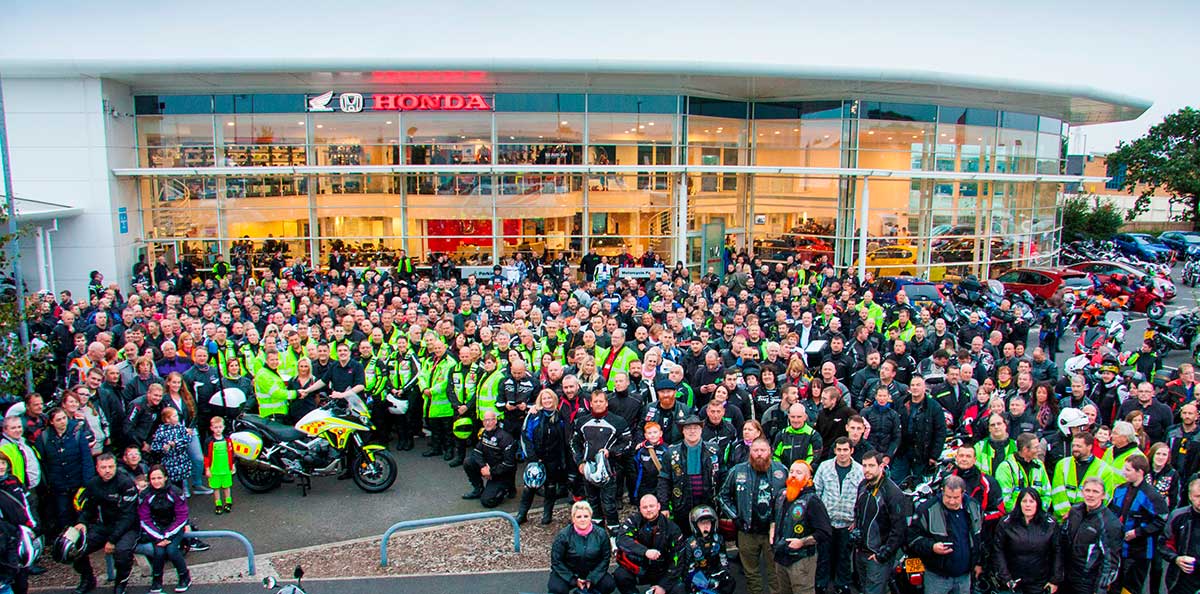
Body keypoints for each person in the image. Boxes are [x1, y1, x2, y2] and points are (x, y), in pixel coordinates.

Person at [718, 437, 786, 594]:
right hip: (746, 530)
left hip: (773, 532)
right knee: (751, 573)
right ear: (750, 452)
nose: (759, 454)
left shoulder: (782, 471)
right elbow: (722, 496)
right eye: (756, 450)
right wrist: (735, 517)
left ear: (770, 451)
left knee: (775, 572)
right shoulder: (737, 470)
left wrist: (782, 522)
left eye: (763, 450)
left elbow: (791, 499)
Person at [70, 454, 139, 594]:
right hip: (104, 526)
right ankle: (88, 579)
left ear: (115, 466)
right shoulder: (93, 484)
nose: (107, 470)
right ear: (97, 468)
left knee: (122, 552)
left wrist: (112, 540)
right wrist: (82, 522)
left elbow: (128, 516)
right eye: (103, 467)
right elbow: (88, 508)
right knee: (75, 548)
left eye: (110, 467)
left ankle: (120, 584)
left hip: (127, 527)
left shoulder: (126, 483)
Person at [907, 475, 984, 594]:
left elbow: (979, 537)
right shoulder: (927, 510)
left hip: (964, 577)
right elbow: (912, 539)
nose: (952, 501)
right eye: (948, 497)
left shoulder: (974, 507)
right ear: (942, 491)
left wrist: (978, 562)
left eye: (956, 497)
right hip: (937, 578)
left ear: (963, 493)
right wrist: (932, 547)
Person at [570, 391, 631, 528]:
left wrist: (612, 452)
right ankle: (596, 529)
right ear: (590, 403)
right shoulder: (582, 421)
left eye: (601, 401)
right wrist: (580, 462)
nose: (598, 404)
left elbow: (627, 443)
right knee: (592, 501)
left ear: (606, 403)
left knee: (609, 504)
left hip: (609, 470)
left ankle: (614, 530)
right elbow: (574, 443)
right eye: (595, 401)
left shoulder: (618, 421)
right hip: (588, 469)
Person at [1108, 454, 1167, 594]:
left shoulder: (1151, 495)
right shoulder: (1120, 489)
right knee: (1114, 585)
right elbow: (1111, 513)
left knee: (1131, 588)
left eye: (1128, 470)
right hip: (1118, 547)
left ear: (1140, 472)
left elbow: (1161, 520)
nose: (1124, 472)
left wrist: (1138, 532)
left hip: (1139, 552)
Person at [770, 460, 832, 594]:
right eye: (791, 471)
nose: (793, 475)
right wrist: (772, 528)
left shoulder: (812, 501)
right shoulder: (782, 495)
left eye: (799, 473)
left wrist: (802, 542)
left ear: (808, 477)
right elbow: (773, 516)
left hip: (801, 560)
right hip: (781, 556)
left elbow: (824, 532)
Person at [851, 450, 907, 594]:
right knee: (863, 589)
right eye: (864, 466)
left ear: (881, 466)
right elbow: (858, 513)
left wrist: (883, 554)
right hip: (860, 551)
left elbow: (899, 529)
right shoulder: (863, 485)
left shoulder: (892, 492)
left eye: (871, 465)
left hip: (877, 555)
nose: (867, 470)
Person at [35, 408, 94, 540]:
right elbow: (42, 463)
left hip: (77, 481)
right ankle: (67, 542)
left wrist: (87, 482)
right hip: (58, 484)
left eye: (64, 418)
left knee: (81, 513)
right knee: (63, 514)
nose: (62, 422)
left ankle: (82, 541)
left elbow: (86, 459)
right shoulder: (44, 438)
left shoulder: (77, 434)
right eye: (58, 419)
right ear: (51, 422)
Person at [813, 437, 863, 594]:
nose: (842, 453)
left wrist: (857, 519)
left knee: (843, 557)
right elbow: (816, 492)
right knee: (823, 556)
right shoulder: (824, 467)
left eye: (845, 450)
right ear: (835, 450)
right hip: (827, 522)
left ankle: (842, 585)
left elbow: (863, 498)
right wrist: (818, 519)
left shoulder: (860, 471)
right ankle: (821, 584)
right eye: (839, 450)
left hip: (847, 523)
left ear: (851, 451)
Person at [657, 415, 721, 536]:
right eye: (688, 428)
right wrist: (664, 505)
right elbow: (664, 480)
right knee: (683, 536)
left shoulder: (714, 450)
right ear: (683, 431)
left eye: (695, 428)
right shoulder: (671, 453)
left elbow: (722, 476)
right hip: (681, 503)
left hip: (708, 501)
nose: (692, 431)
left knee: (708, 537)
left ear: (701, 430)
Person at [1058, 477, 1122, 594]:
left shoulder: (1109, 523)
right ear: (1082, 492)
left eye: (1095, 492)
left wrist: (1100, 589)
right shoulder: (1074, 510)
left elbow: (1111, 562)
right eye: (1087, 490)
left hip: (1087, 581)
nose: (1090, 495)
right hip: (1066, 575)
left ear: (1103, 495)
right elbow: (1062, 540)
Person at [992, 487, 1061, 594]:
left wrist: (1055, 580)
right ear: (1019, 503)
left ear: (1037, 503)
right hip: (1013, 581)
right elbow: (998, 550)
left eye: (1031, 501)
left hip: (1040, 582)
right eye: (1024, 501)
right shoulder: (1006, 523)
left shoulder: (1050, 524)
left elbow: (1058, 552)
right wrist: (1005, 577)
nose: (1027, 505)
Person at [613, 494, 685, 594]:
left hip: (661, 570)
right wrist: (645, 552)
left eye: (651, 506)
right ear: (640, 509)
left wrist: (663, 586)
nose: (648, 510)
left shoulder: (672, 528)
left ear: (658, 506)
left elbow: (678, 560)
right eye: (645, 507)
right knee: (620, 575)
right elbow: (621, 539)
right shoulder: (634, 520)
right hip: (639, 568)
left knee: (679, 587)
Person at [517, 389, 569, 525]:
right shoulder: (534, 416)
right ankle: (522, 513)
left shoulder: (559, 417)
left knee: (551, 486)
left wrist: (562, 460)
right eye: (544, 398)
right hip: (535, 458)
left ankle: (547, 514)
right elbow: (525, 437)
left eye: (549, 398)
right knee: (529, 486)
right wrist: (532, 457)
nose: (547, 401)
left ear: (554, 400)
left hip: (553, 459)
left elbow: (563, 440)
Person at [137, 466, 191, 593]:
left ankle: (184, 577)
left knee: (172, 550)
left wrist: (167, 535)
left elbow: (182, 516)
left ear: (165, 478)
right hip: (156, 530)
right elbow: (144, 519)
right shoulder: (146, 495)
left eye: (159, 478)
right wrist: (159, 536)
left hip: (175, 528)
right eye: (153, 478)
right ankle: (157, 580)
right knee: (159, 552)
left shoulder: (175, 492)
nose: (156, 481)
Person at [548, 501, 616, 594]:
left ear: (591, 517)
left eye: (586, 516)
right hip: (569, 572)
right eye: (579, 517)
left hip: (591, 572)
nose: (582, 519)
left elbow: (605, 558)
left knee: (609, 584)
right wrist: (573, 579)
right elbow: (556, 561)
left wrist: (592, 577)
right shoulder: (563, 535)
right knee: (557, 589)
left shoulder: (601, 534)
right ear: (573, 519)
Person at [461, 410, 517, 508]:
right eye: (485, 420)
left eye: (490, 420)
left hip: (502, 473)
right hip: (488, 468)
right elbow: (477, 452)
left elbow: (509, 464)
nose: (487, 423)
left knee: (487, 501)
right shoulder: (485, 433)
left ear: (495, 421)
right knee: (468, 462)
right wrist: (483, 467)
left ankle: (506, 488)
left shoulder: (505, 438)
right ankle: (478, 490)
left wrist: (491, 471)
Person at [680, 505, 733, 594]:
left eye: (708, 522)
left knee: (730, 582)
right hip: (697, 577)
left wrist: (723, 574)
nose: (705, 526)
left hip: (714, 573)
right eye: (702, 523)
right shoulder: (690, 543)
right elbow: (689, 569)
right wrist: (703, 581)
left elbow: (723, 560)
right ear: (695, 525)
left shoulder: (718, 539)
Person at [994, 432, 1053, 512]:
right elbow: (1005, 500)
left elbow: (1047, 494)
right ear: (1025, 449)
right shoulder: (1005, 468)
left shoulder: (1039, 465)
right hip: (1015, 518)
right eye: (1036, 447)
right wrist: (1023, 513)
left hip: (1037, 517)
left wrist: (1037, 512)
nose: (1039, 450)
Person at [1162, 478, 1200, 594]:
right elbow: (1164, 543)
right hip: (1180, 580)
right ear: (1190, 496)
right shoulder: (1178, 516)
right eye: (1197, 496)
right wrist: (1176, 558)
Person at [150, 408, 193, 497]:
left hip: (181, 460)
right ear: (167, 419)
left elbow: (188, 439)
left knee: (180, 481)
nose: (177, 417)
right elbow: (154, 446)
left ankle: (181, 494)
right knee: (170, 482)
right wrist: (163, 447)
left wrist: (175, 443)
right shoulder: (161, 430)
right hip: (169, 462)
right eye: (174, 416)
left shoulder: (180, 427)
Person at [202, 416, 235, 515]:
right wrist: (207, 469)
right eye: (215, 427)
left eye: (220, 427)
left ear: (223, 427)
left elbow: (231, 453)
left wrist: (232, 465)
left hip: (225, 468)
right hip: (214, 469)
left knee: (226, 486)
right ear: (211, 428)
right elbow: (207, 456)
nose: (218, 430)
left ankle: (228, 502)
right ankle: (218, 504)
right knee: (216, 488)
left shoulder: (228, 440)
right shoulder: (209, 441)